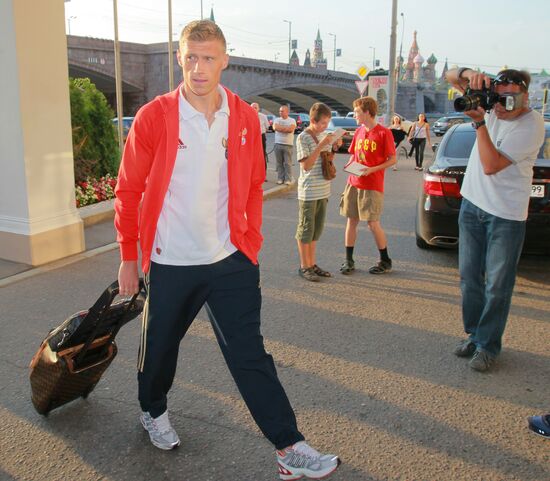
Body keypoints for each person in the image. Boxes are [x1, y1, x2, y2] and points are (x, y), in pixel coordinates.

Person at [114, 20, 340, 480]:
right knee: (159, 349)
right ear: (180, 58)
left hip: (229, 261)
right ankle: (151, 409)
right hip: (171, 260)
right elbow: (128, 189)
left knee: (250, 354)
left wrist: (249, 244)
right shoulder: (155, 116)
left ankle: (289, 447)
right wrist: (128, 256)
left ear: (224, 61)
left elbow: (255, 182)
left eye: (209, 58)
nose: (200, 68)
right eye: (191, 57)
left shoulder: (241, 117)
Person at [446, 67, 545, 372]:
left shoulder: (531, 125)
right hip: (472, 205)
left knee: (498, 286)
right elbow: (451, 77)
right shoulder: (492, 106)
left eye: (509, 100)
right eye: (497, 98)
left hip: (505, 215)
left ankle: (489, 345)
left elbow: (490, 165)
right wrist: (471, 75)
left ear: (526, 96)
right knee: (469, 280)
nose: (500, 106)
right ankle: (475, 336)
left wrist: (479, 122)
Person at [339, 96, 396, 275]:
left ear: (367, 112)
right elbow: (353, 155)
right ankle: (349, 260)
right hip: (354, 183)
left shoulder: (383, 132)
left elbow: (392, 159)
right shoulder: (358, 132)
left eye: (357, 112)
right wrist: (349, 166)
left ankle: (385, 260)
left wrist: (372, 170)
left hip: (372, 184)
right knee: (351, 220)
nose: (355, 115)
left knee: (372, 223)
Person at [295, 102, 338, 282]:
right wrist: (321, 145)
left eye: (327, 123)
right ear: (313, 120)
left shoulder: (324, 135)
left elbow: (326, 162)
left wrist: (333, 147)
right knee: (306, 230)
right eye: (322, 123)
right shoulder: (303, 138)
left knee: (316, 230)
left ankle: (312, 264)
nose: (325, 127)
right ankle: (304, 266)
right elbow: (306, 165)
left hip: (323, 189)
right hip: (309, 191)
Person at [273, 105, 296, 185]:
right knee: (279, 163)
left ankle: (288, 179)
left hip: (288, 145)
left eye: (282, 111)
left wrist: (281, 128)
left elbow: (290, 130)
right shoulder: (276, 120)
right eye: (280, 111)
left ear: (287, 112)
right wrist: (285, 128)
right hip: (278, 144)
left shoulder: (292, 120)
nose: (280, 113)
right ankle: (280, 178)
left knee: (287, 163)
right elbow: (275, 128)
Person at [251, 102, 270, 170]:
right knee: (251, 155)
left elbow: (267, 127)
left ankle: (263, 173)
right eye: (252, 107)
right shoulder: (247, 115)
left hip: (261, 137)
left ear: (258, 109)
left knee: (262, 155)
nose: (253, 109)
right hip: (251, 137)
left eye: (255, 108)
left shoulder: (263, 116)